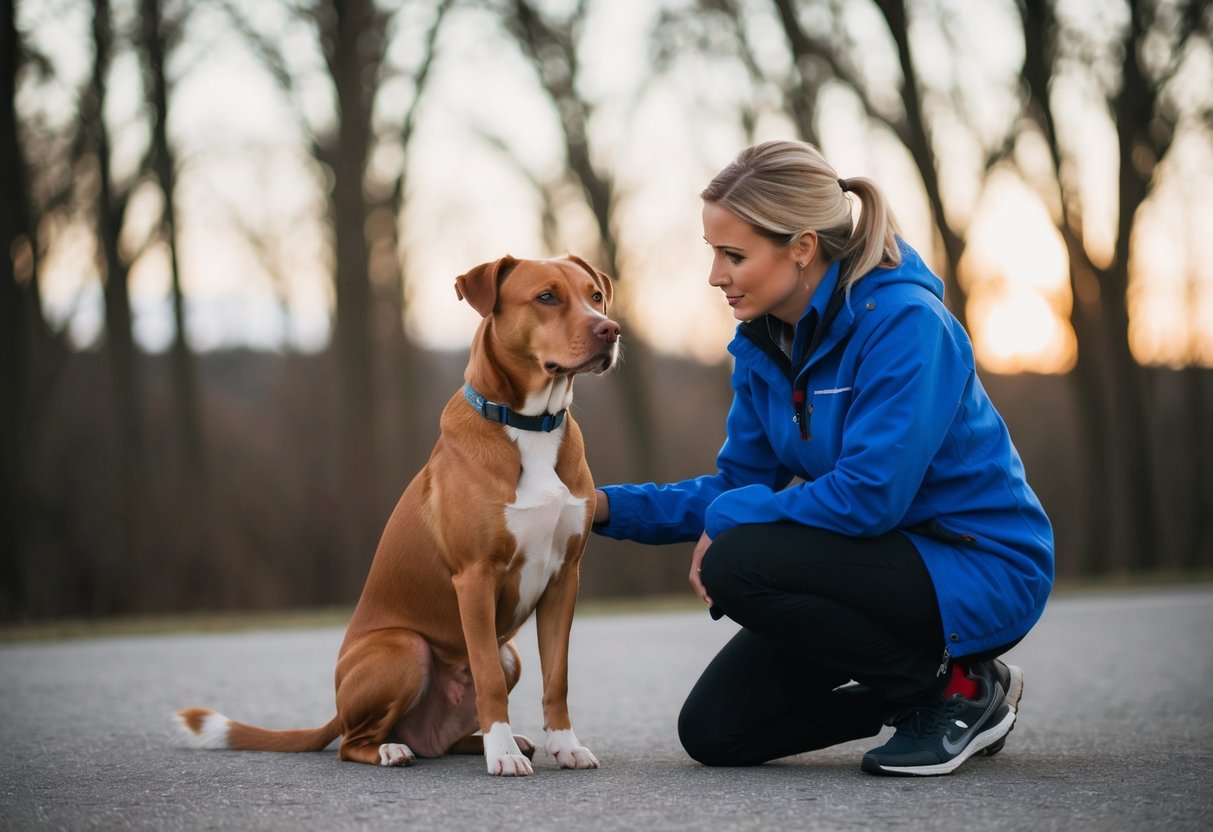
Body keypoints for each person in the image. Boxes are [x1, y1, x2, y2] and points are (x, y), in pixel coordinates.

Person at [592, 139, 1054, 777]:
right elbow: (737, 484)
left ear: (802, 247)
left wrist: (731, 520)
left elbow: (868, 496)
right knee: (716, 732)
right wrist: (602, 507)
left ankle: (950, 693)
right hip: (868, 569)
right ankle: (929, 691)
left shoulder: (905, 324)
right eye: (714, 254)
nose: (715, 275)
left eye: (734, 255)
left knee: (737, 563)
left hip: (978, 565)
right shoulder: (762, 347)